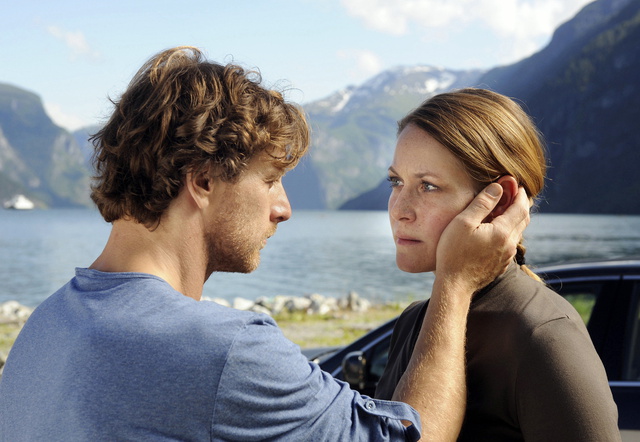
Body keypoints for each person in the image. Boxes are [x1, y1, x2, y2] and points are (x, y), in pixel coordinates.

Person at [0, 48, 530, 441]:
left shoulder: (47, 326)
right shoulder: (224, 349)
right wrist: (456, 282)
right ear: (203, 180)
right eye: (272, 178)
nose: (284, 207)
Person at [374, 88, 621, 441]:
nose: (399, 209)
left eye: (428, 186)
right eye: (396, 181)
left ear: (497, 200)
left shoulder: (544, 334)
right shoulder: (413, 321)